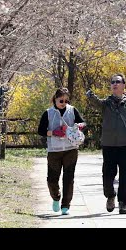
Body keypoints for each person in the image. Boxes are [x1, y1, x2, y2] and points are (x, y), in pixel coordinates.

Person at [86, 73, 126, 215]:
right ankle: (110, 195)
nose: (114, 84)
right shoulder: (106, 104)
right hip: (109, 145)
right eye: (112, 82)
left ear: (123, 86)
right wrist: (90, 95)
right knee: (108, 175)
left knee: (125, 176)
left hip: (125, 145)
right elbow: (95, 102)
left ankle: (123, 203)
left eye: (118, 81)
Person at [36, 87, 85, 215]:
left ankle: (66, 205)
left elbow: (82, 123)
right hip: (54, 150)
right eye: (61, 100)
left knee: (69, 178)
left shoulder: (72, 110)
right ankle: (56, 197)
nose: (64, 103)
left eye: (66, 100)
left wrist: (80, 126)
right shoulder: (48, 113)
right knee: (52, 179)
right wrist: (53, 132)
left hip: (71, 149)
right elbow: (40, 130)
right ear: (55, 99)